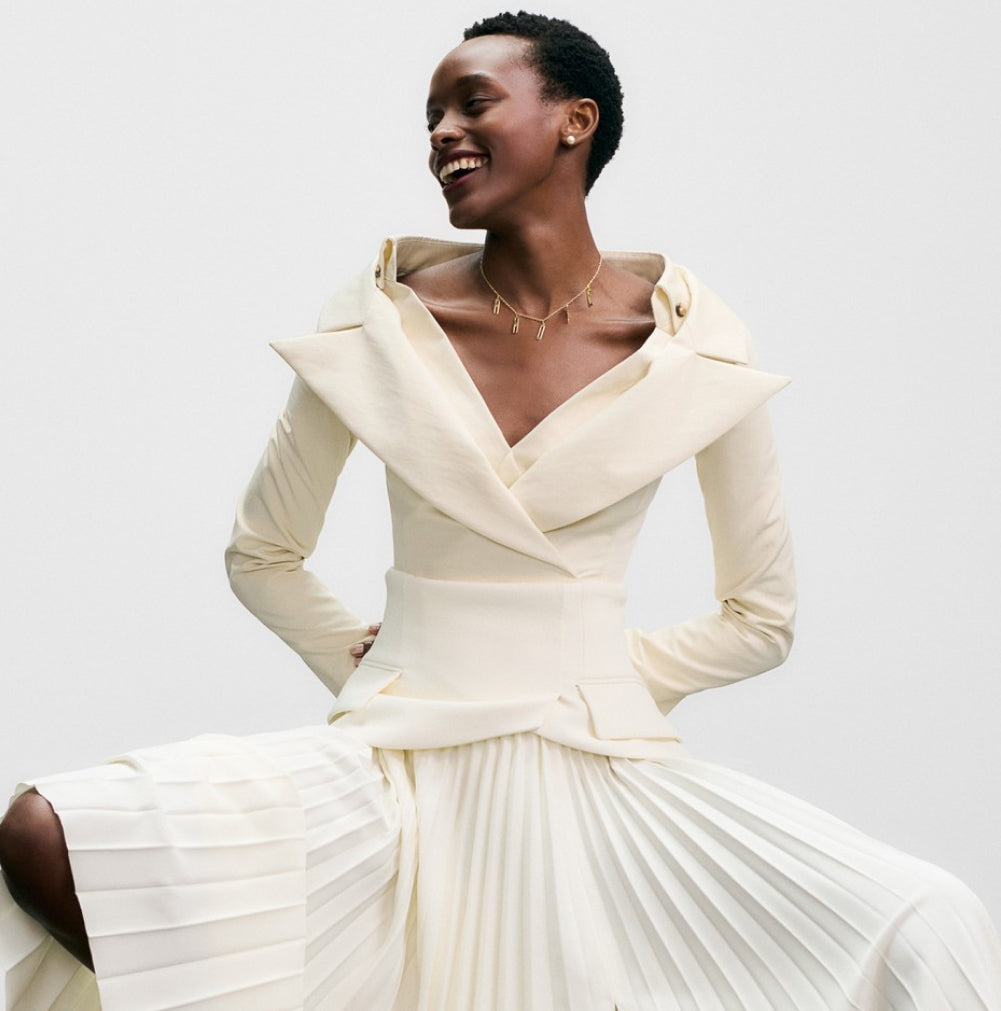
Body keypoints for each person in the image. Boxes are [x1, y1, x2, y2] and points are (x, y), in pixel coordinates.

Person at [1, 11, 999, 1011]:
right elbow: (262, 552)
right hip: (396, 759)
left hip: (600, 768)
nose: (442, 131)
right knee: (44, 831)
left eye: (472, 102)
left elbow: (760, 617)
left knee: (923, 920)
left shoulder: (696, 349)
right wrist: (384, 662)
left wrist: (579, 675)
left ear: (574, 121)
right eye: (431, 116)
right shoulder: (379, 320)